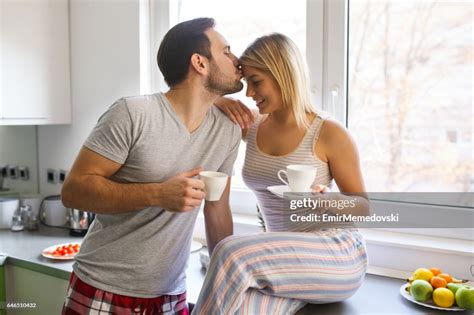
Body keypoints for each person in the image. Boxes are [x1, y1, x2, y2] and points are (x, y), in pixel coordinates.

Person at [60, 18, 243, 314]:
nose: (238, 60)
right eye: (227, 51)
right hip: (103, 287)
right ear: (200, 63)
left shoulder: (228, 130)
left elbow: (217, 208)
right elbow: (74, 191)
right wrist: (158, 194)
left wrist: (229, 281)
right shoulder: (133, 114)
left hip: (171, 296)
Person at [192, 33, 369, 315]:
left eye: (256, 81)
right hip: (287, 262)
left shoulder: (330, 133)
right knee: (244, 308)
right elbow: (191, 102)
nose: (249, 93)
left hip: (336, 255)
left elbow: (362, 208)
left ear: (283, 74)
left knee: (230, 252)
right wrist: (217, 101)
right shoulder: (251, 124)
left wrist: (328, 202)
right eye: (247, 82)